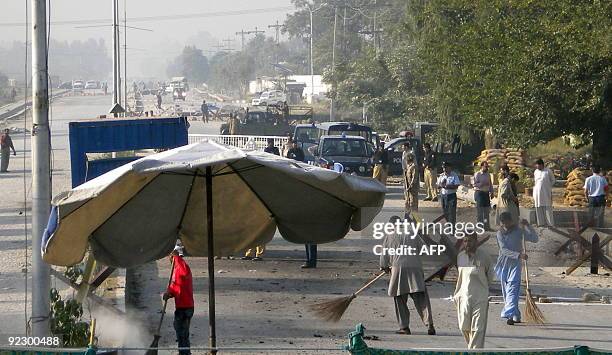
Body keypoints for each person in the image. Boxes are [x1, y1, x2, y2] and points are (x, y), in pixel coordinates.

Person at [380, 216, 436, 335]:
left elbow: (384, 257)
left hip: (398, 270)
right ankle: (429, 324)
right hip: (415, 269)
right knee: (422, 298)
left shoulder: (389, 235)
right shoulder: (412, 232)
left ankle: (404, 327)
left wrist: (385, 267)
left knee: (399, 298)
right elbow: (424, 250)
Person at [495, 212, 538, 325]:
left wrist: (528, 226)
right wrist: (519, 255)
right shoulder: (499, 233)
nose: (505, 224)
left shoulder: (519, 231)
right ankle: (516, 315)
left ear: (511, 221)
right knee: (506, 291)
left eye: (507, 221)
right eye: (502, 222)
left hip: (515, 265)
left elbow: (534, 238)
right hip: (503, 264)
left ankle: (508, 314)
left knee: (513, 289)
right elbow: (503, 250)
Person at [454, 233, 494, 348]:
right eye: (465, 241)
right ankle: (472, 348)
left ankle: (475, 351)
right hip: (463, 296)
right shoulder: (460, 256)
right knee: (463, 326)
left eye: (470, 241)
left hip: (480, 296)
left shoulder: (484, 256)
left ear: (476, 242)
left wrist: (483, 288)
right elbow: (461, 277)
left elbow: (490, 276)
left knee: (478, 328)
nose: (467, 244)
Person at [163, 243, 194, 355]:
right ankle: (183, 352)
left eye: (170, 257)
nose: (169, 260)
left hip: (185, 307)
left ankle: (184, 353)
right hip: (183, 306)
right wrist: (169, 293)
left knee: (182, 332)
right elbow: (177, 286)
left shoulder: (182, 267)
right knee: (181, 331)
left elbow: (183, 274)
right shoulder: (177, 270)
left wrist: (176, 257)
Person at [533, 158, 556, 227]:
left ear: (541, 165)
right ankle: (541, 223)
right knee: (538, 207)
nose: (537, 166)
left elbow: (553, 180)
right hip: (537, 192)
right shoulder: (536, 171)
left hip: (546, 192)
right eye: (536, 165)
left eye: (537, 165)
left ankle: (550, 224)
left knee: (547, 207)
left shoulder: (548, 171)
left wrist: (548, 187)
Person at [437, 162, 460, 226]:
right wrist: (442, 184)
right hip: (443, 196)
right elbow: (438, 186)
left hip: (451, 196)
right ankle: (449, 225)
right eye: (443, 168)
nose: (444, 169)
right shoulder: (441, 175)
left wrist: (447, 186)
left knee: (452, 212)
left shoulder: (454, 175)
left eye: (446, 168)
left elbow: (456, 185)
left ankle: (452, 228)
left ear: (450, 168)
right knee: (445, 212)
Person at [473, 161, 494, 231]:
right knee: (480, 211)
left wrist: (492, 192)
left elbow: (490, 184)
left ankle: (486, 226)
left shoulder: (488, 174)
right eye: (485, 166)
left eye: (487, 167)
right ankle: (480, 227)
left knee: (486, 211)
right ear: (482, 166)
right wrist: (482, 184)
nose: (487, 168)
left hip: (486, 193)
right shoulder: (477, 174)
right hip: (479, 193)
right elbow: (474, 184)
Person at [403, 152, 419, 217]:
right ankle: (406, 218)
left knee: (413, 205)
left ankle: (417, 221)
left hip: (413, 189)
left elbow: (414, 178)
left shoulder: (414, 167)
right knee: (407, 203)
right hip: (408, 189)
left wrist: (410, 186)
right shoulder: (408, 166)